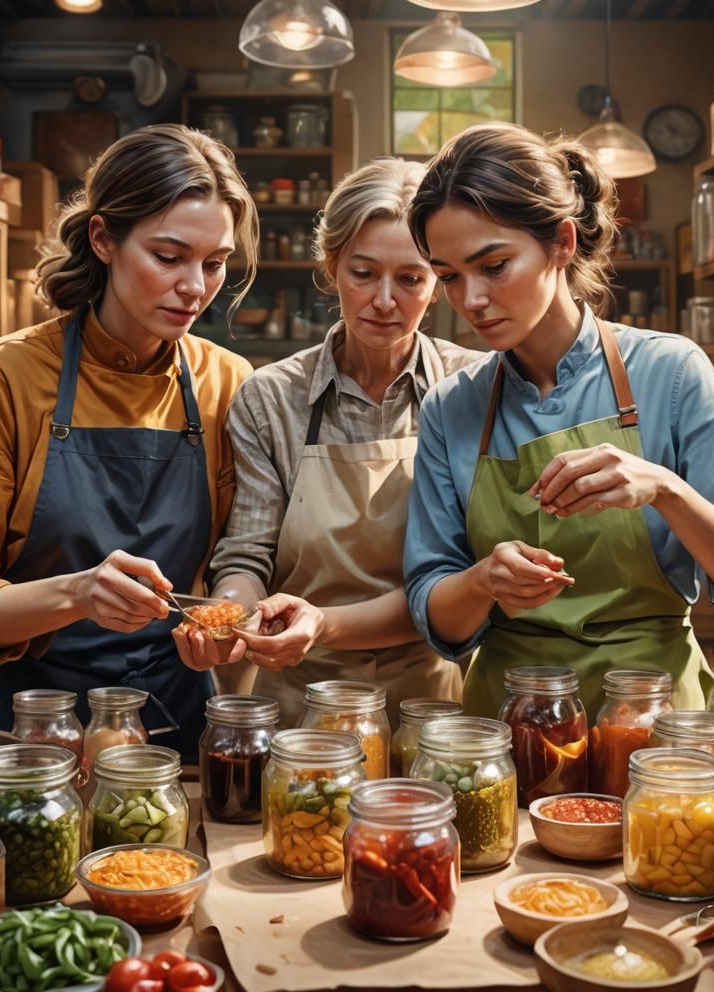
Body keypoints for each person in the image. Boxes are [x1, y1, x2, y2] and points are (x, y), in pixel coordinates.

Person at [403, 123, 714, 719]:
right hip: (507, 727)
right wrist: (484, 581)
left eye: (494, 265)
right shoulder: (451, 406)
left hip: (652, 720)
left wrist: (666, 490)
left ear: (561, 242)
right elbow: (434, 611)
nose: (471, 300)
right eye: (450, 276)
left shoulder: (672, 372)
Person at [0, 124, 258, 759]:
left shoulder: (227, 383)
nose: (194, 288)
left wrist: (227, 620)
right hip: (28, 730)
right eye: (168, 256)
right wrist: (75, 594)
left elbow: (242, 556)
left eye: (215, 263)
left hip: (173, 729)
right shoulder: (7, 375)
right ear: (102, 238)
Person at [175, 157, 483, 725]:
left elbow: (469, 572)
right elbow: (248, 553)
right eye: (363, 273)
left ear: (438, 280)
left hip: (431, 701)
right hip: (297, 700)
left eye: (411, 278)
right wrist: (227, 616)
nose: (385, 301)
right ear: (331, 266)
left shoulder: (474, 390)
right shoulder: (270, 399)